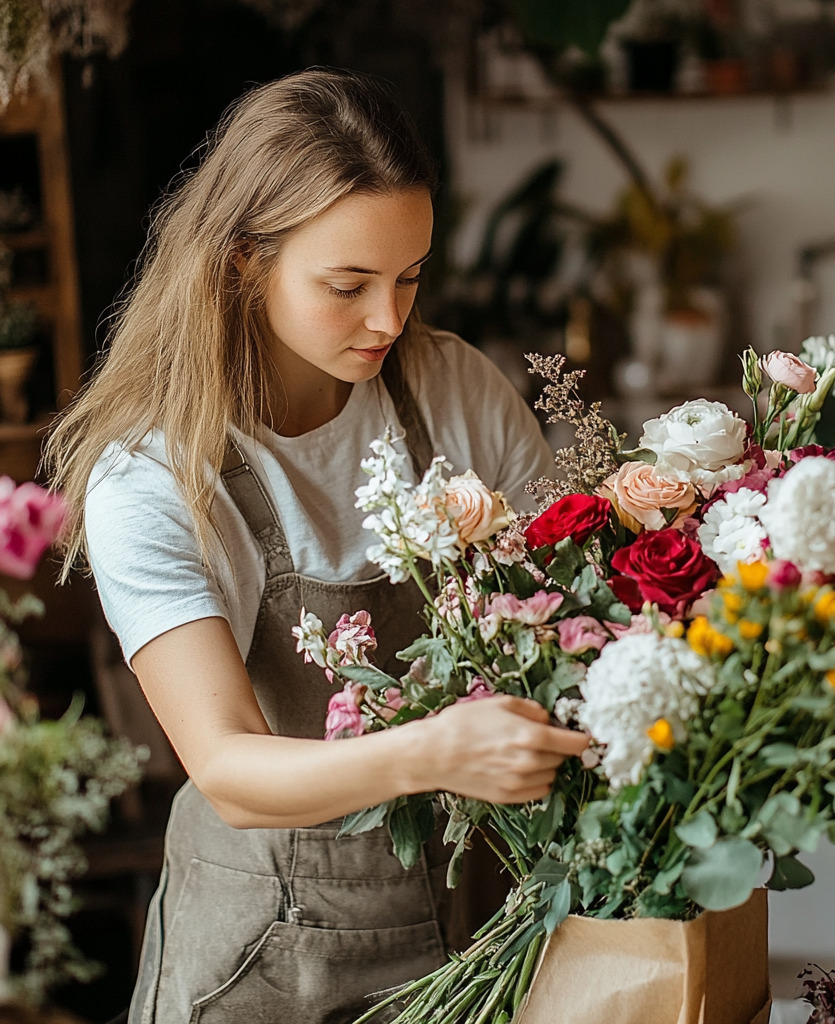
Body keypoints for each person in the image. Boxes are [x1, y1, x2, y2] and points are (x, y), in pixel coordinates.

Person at [43, 68, 588, 1024]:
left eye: (410, 277)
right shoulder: (156, 475)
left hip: (479, 928)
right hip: (266, 951)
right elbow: (229, 769)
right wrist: (438, 751)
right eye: (348, 286)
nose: (389, 320)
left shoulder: (453, 391)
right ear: (242, 262)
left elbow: (572, 614)